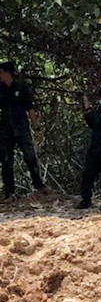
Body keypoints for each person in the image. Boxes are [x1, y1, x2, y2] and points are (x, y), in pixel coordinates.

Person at [0, 61, 46, 199]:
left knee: (29, 156)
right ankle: (10, 193)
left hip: (21, 128)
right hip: (4, 130)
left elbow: (30, 108)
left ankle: (39, 186)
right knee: (6, 161)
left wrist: (36, 127)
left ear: (8, 73)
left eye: (1, 72)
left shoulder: (22, 88)